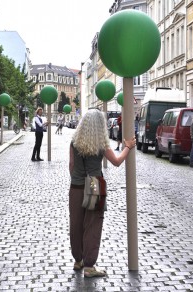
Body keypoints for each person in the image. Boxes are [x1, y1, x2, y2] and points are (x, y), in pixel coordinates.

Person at [68, 109, 136, 277]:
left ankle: (78, 260)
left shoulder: (74, 142)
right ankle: (89, 267)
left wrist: (78, 180)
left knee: (76, 224)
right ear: (101, 125)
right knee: (92, 224)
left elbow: (71, 164)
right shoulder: (100, 144)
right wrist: (127, 147)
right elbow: (117, 161)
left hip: (76, 185)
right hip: (94, 184)